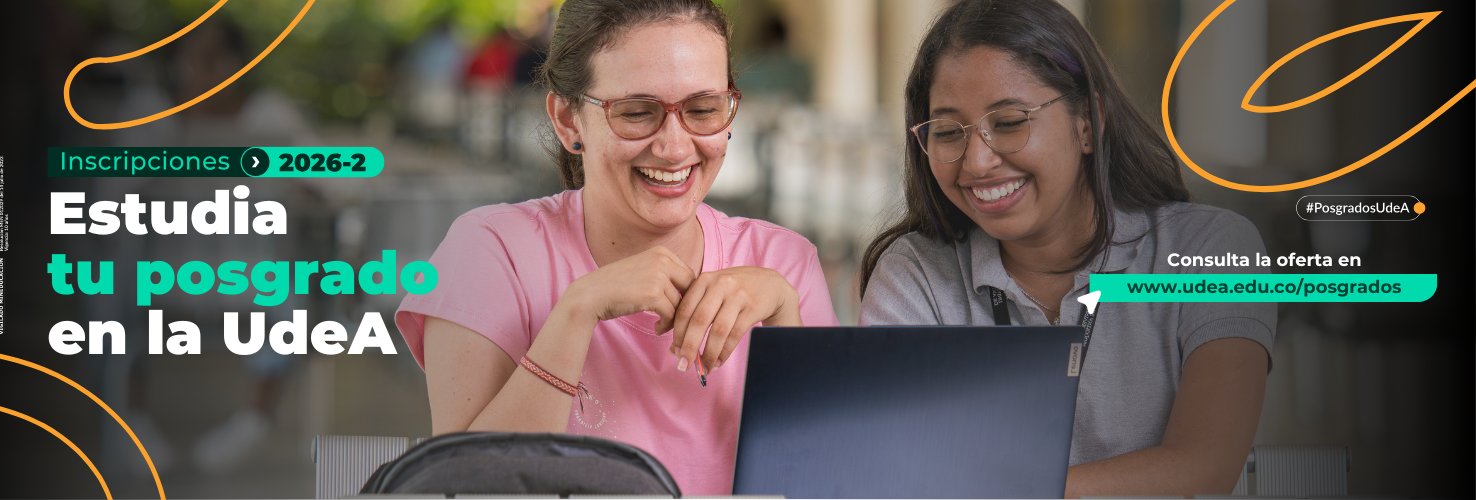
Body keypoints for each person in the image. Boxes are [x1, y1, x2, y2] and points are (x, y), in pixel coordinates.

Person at [395, 0, 838, 494]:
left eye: (703, 109)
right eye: (636, 113)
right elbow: (463, 488)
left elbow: (830, 481)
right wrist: (577, 311)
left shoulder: (783, 267)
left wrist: (785, 324)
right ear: (568, 120)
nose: (674, 146)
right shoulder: (490, 252)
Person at [857, 0, 1274, 497]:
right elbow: (895, 474)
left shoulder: (1212, 249)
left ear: (1088, 122)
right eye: (948, 132)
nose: (977, 162)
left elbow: (1203, 466)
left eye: (1009, 122)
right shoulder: (916, 274)